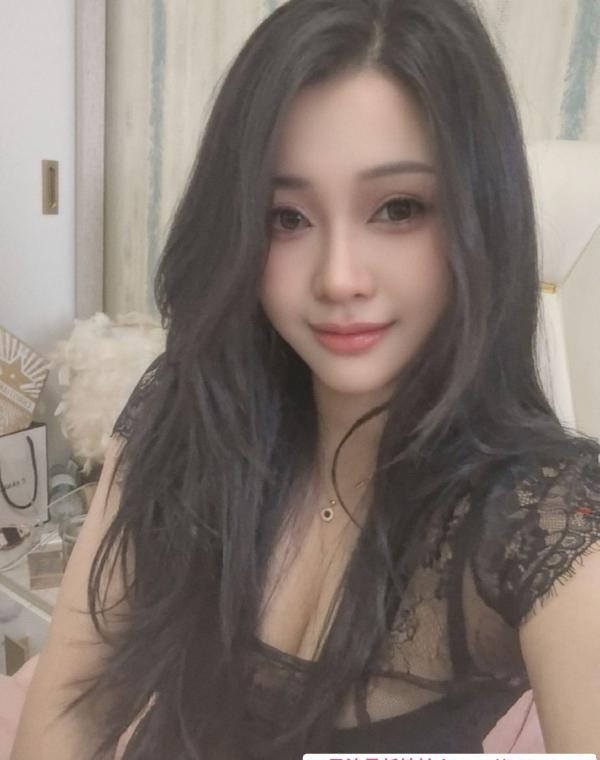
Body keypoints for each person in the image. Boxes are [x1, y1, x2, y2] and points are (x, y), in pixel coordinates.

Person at [11, 0, 600, 758]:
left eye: (398, 208)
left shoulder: (541, 521)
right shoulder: (186, 406)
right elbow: (72, 703)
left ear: (480, 219)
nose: (338, 277)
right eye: (287, 218)